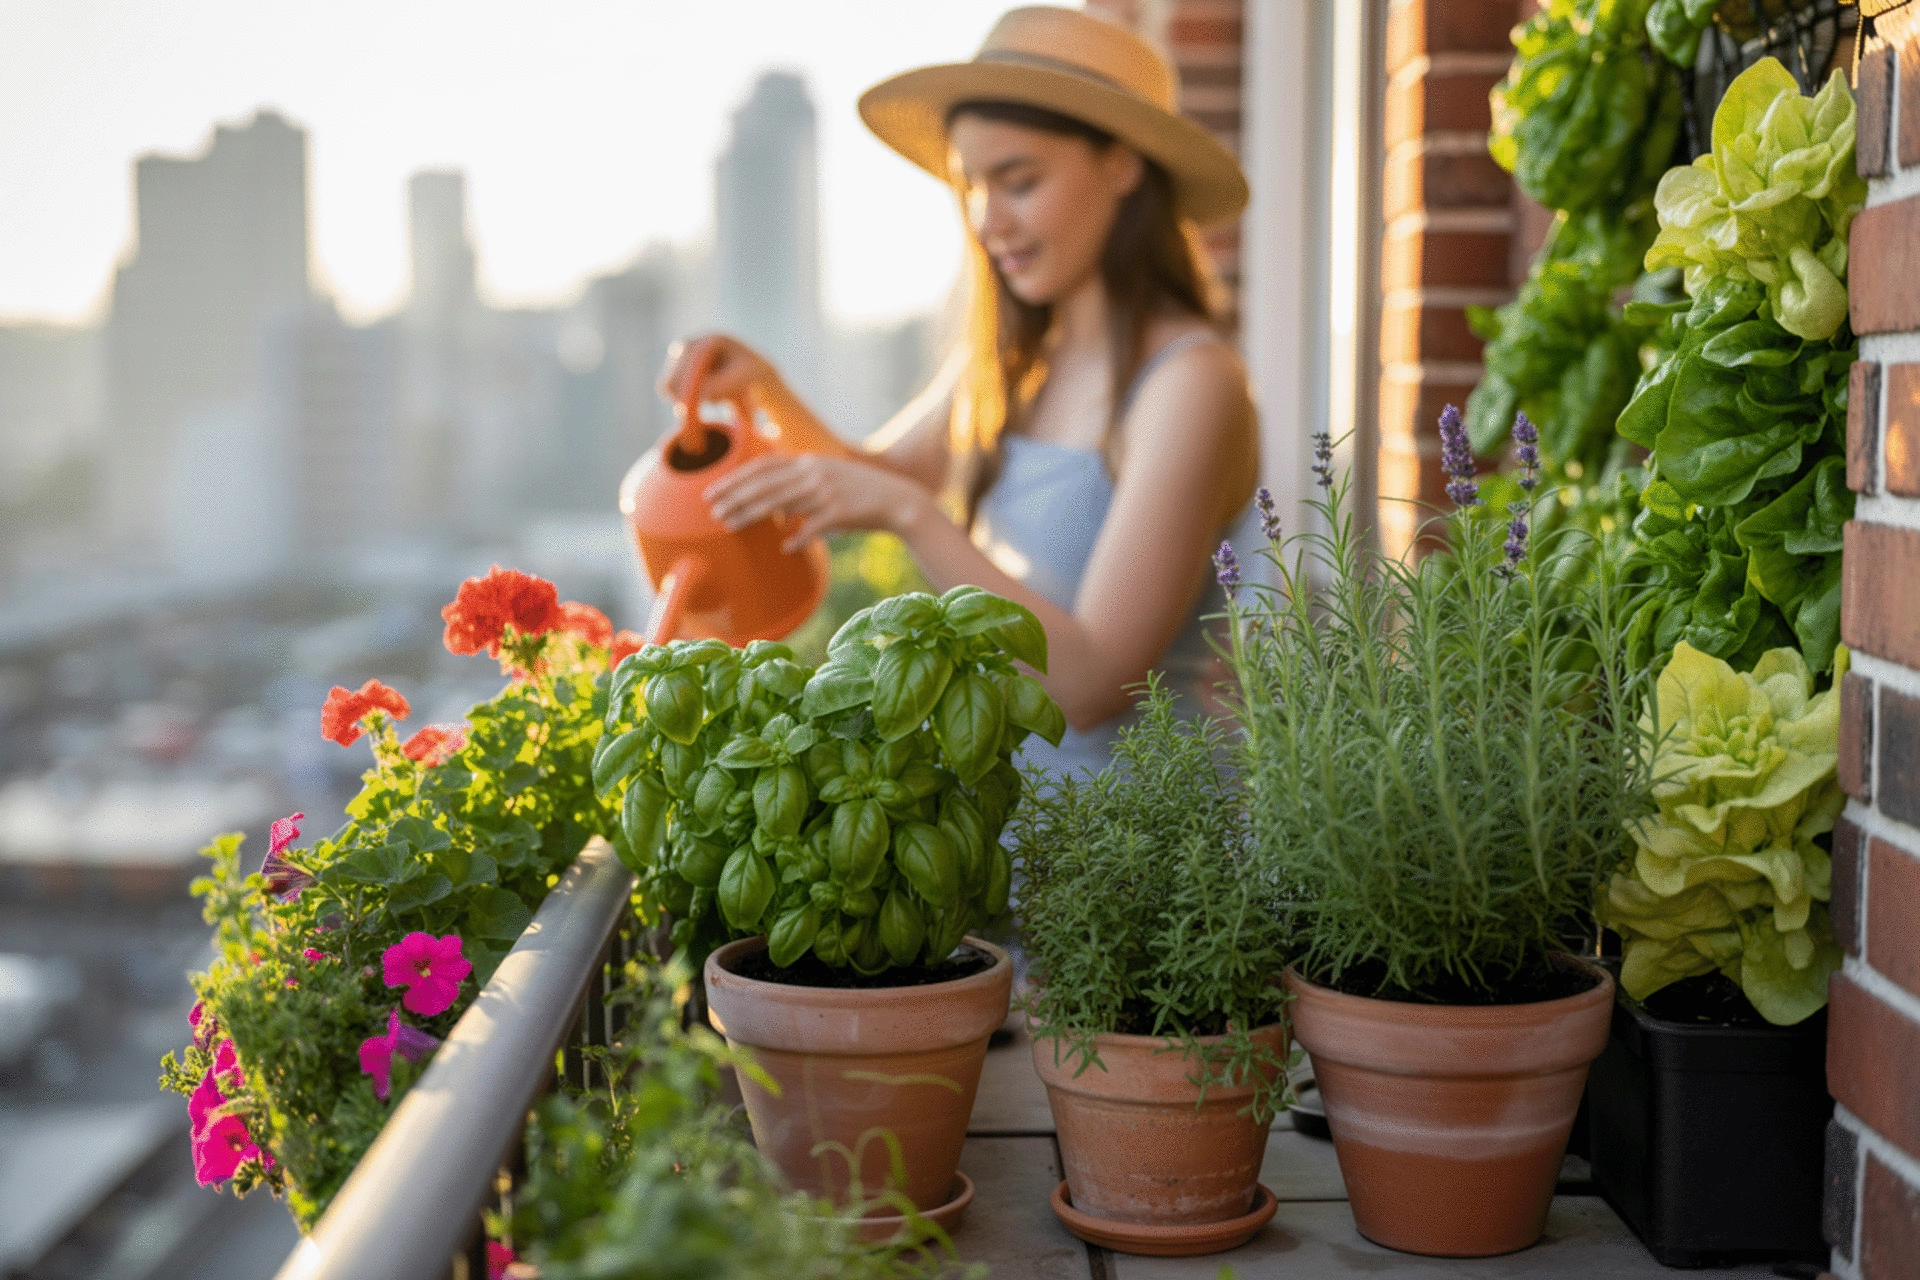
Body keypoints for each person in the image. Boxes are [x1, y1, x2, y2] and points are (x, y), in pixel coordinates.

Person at [659, 5, 1258, 779]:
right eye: (972, 187)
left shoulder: (1190, 384)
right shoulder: (1019, 359)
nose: (987, 221)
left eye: (1019, 181)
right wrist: (767, 390)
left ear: (1122, 165)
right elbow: (875, 475)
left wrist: (913, 518)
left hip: (1138, 875)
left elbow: (1088, 683)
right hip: (1008, 848)